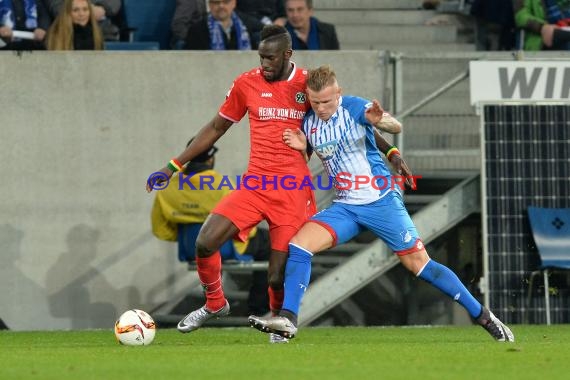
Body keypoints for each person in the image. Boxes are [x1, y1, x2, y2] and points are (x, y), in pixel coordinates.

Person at [146, 25, 410, 343]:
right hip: (255, 184)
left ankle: (279, 329)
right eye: (261, 57)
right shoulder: (246, 83)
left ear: (287, 54)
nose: (264, 64)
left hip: (292, 190)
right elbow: (216, 127)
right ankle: (215, 303)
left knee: (276, 276)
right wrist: (174, 165)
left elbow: (349, 119)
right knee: (205, 241)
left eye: (271, 57)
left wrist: (392, 151)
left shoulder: (308, 84)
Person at [248, 65, 515, 343]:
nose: (322, 107)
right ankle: (288, 322)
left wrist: (381, 123)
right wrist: (303, 148)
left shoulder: (353, 107)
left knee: (420, 266)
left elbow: (394, 126)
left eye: (327, 101)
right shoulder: (309, 122)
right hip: (346, 206)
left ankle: (484, 316)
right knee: (299, 246)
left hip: (380, 200)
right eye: (315, 102)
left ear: (338, 93)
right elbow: (313, 155)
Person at [151, 138, 270, 315]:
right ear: (210, 159)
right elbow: (245, 224)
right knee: (271, 241)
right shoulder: (224, 185)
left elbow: (160, 229)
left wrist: (189, 235)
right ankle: (260, 309)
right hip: (227, 248)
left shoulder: (168, 189)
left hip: (191, 249)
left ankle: (218, 300)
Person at [185, 0, 263, 50]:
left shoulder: (250, 25)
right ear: (210, 5)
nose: (221, 6)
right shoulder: (197, 30)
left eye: (226, 2)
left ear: (234, 3)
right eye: (216, 2)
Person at [44, 0, 121, 41]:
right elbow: (57, 8)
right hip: (69, 34)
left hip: (103, 33)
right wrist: (85, 11)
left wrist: (103, 8)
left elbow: (115, 2)